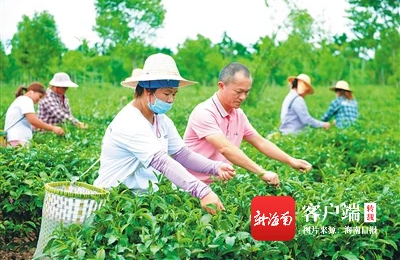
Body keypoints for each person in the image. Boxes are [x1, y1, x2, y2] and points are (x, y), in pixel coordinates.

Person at [93, 53, 235, 215]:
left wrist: (214, 167)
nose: (171, 100)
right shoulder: (130, 122)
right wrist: (202, 191)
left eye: (174, 94)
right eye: (167, 94)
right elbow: (162, 162)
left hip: (145, 199)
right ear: (148, 91)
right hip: (117, 202)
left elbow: (183, 154)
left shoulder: (161, 120)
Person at [183, 63, 313, 187]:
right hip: (191, 186)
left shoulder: (238, 114)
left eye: (246, 92)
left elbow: (260, 142)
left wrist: (291, 161)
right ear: (221, 86)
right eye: (238, 92)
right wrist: (261, 172)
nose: (243, 97)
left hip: (219, 185)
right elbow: (225, 148)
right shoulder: (204, 112)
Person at [4, 83, 65, 147]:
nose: (39, 100)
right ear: (31, 92)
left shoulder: (21, 100)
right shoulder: (26, 100)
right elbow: (33, 120)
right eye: (40, 96)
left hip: (15, 139)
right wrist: (53, 128)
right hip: (18, 140)